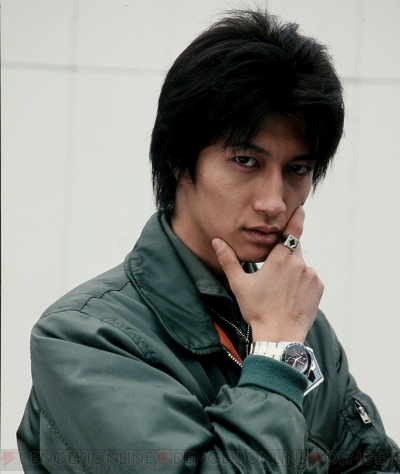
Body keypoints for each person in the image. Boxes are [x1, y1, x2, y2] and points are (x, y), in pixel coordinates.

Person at [17, 9, 400, 474]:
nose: (274, 202)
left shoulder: (301, 323)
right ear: (179, 160)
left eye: (297, 169)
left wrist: (279, 337)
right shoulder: (86, 339)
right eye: (245, 161)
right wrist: (276, 355)